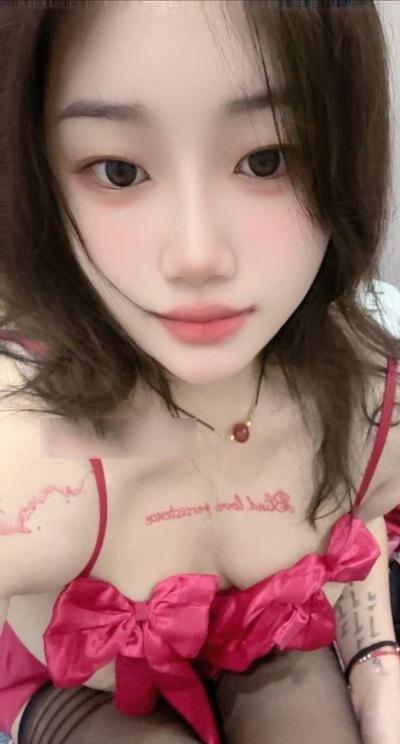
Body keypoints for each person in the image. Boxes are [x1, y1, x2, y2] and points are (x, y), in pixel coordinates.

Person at [0, 1, 400, 742]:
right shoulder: (31, 459)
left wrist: (376, 662)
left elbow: (355, 508)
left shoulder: (364, 395)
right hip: (76, 680)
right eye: (119, 170)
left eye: (268, 159)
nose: (196, 257)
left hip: (265, 631)